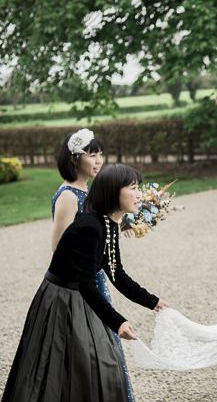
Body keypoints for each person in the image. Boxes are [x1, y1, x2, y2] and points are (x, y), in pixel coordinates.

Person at [2, 164, 170, 402]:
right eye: (133, 188)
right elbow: (87, 284)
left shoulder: (109, 224)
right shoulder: (89, 227)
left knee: (103, 363)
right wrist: (118, 321)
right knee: (60, 369)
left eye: (139, 187)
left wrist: (153, 302)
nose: (139, 194)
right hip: (59, 300)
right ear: (113, 192)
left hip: (81, 298)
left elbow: (116, 273)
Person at [51, 128, 136, 401]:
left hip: (95, 279)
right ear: (75, 159)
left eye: (100, 155)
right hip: (79, 285)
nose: (99, 161)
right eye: (92, 155)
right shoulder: (68, 196)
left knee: (105, 347)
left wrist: (119, 226)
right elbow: (60, 248)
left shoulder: (88, 190)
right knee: (86, 351)